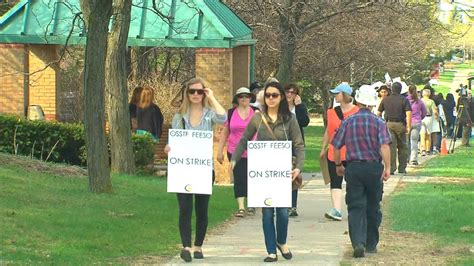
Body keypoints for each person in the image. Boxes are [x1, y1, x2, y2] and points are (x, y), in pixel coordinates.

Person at [230, 81, 304, 262]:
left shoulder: (289, 119)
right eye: (268, 95)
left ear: (281, 97)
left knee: (283, 213)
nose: (271, 98)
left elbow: (299, 145)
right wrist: (234, 159)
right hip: (263, 170)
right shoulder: (257, 118)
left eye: (275, 95)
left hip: (282, 171)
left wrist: (298, 168)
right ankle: (271, 250)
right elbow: (244, 139)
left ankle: (281, 241)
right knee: (267, 212)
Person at [164, 78, 227, 262]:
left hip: (204, 169)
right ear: (187, 93)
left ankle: (198, 245)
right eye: (192, 91)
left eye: (200, 91)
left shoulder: (209, 115)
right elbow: (174, 140)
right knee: (184, 208)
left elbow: (223, 117)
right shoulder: (179, 117)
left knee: (202, 210)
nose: (196, 95)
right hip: (183, 170)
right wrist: (169, 148)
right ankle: (186, 246)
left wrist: (212, 97)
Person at [332, 84, 391, 258]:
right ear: (372, 103)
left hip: (354, 167)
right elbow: (384, 146)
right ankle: (371, 243)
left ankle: (358, 242)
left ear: (357, 100)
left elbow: (336, 146)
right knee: (373, 206)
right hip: (373, 167)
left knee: (356, 206)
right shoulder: (379, 122)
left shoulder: (348, 121)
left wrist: (338, 165)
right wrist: (387, 167)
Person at [320, 82, 359, 221]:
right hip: (334, 151)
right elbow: (328, 131)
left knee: (353, 182)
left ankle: (355, 209)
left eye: (337, 93)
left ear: (344, 95)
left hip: (352, 152)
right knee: (335, 181)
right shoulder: (331, 112)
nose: (335, 96)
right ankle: (336, 210)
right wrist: (323, 147)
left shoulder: (357, 111)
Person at [217, 87, 257, 218]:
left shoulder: (257, 113)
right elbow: (225, 132)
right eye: (241, 96)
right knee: (239, 177)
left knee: (252, 177)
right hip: (234, 150)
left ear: (251, 98)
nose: (244, 98)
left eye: (247, 96)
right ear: (237, 99)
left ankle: (252, 203)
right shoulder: (231, 113)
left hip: (254, 151)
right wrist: (220, 150)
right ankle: (241, 207)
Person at [284, 83, 310, 217]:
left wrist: (299, 106)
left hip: (295, 144)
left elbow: (304, 122)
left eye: (292, 92)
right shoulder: (279, 108)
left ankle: (292, 206)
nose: (289, 94)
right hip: (281, 143)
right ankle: (282, 204)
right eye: (287, 92)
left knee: (293, 174)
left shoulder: (299, 107)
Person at [377, 82, 411, 175]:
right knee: (403, 146)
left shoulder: (385, 100)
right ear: (400, 90)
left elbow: (379, 113)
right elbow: (408, 113)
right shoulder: (404, 100)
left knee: (391, 147)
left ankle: (391, 168)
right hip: (400, 124)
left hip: (388, 124)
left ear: (391, 89)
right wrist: (408, 126)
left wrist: (381, 123)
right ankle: (402, 168)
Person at [407, 85, 426, 165]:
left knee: (406, 142)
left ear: (408, 91)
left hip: (407, 122)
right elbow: (424, 112)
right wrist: (420, 118)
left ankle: (407, 158)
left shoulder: (406, 100)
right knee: (414, 141)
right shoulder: (419, 101)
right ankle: (413, 159)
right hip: (417, 122)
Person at [420, 87, 438, 156]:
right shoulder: (431, 101)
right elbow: (435, 111)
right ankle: (428, 150)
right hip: (429, 117)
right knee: (428, 135)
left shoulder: (420, 101)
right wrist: (436, 117)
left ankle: (422, 149)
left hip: (421, 118)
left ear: (422, 94)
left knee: (422, 134)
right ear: (429, 94)